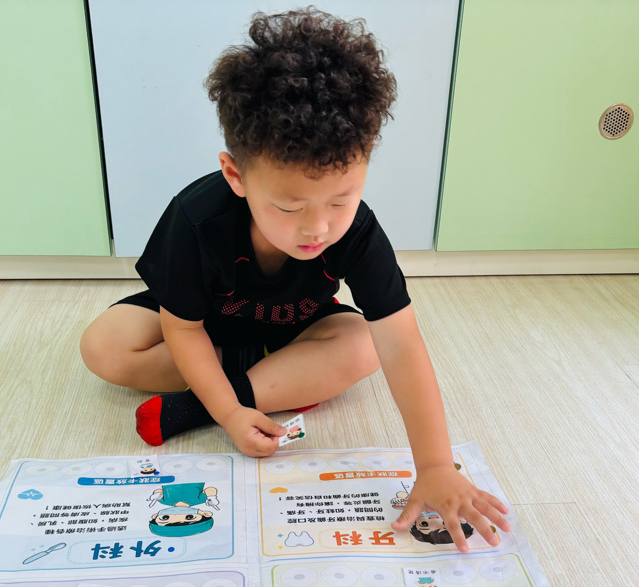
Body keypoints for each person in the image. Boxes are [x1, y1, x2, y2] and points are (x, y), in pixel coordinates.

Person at [79, 8, 509, 551]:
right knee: (104, 347)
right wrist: (231, 416)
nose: (318, 229)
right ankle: (259, 385)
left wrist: (435, 465)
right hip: (207, 326)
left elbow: (400, 341)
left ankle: (201, 401)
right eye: (288, 207)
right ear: (236, 175)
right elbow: (182, 328)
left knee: (364, 347)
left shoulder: (358, 231)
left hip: (295, 329)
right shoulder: (196, 217)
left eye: (341, 200)